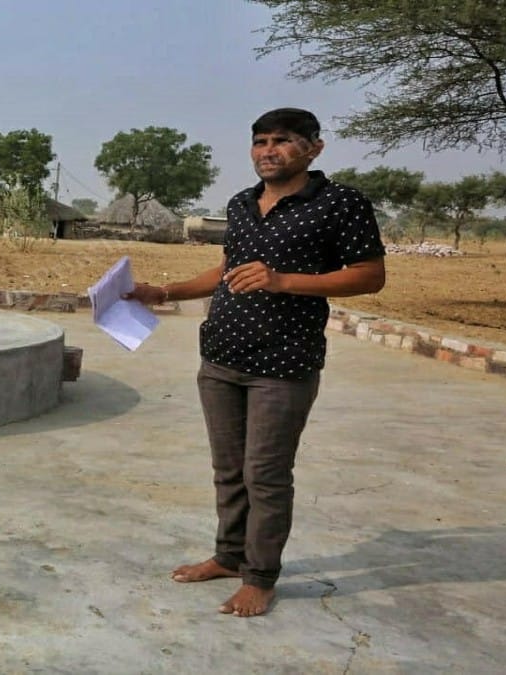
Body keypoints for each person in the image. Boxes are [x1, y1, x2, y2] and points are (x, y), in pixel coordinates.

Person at [124, 108, 386, 617]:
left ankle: (260, 577)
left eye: (283, 141)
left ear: (314, 148)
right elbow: (226, 269)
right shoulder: (242, 204)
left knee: (264, 474)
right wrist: (163, 291)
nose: (269, 150)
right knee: (228, 470)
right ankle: (228, 556)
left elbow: (369, 275)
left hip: (283, 363)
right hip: (221, 356)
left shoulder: (341, 204)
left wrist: (284, 280)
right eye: (261, 141)